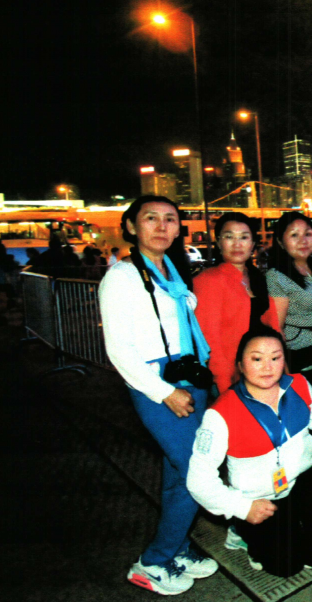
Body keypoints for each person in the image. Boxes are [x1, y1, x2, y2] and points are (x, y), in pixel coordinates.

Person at [98, 195, 219, 595]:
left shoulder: (170, 271)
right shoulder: (122, 277)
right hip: (158, 385)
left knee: (177, 474)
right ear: (131, 227)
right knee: (196, 471)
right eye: (151, 218)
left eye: (170, 219)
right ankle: (152, 561)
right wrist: (164, 392)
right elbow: (119, 349)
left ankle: (178, 549)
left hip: (189, 378)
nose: (162, 226)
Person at [187, 327, 312, 579]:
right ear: (240, 365)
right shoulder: (220, 414)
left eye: (276, 357)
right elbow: (198, 481)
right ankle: (242, 530)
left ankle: (311, 544)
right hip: (259, 495)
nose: (267, 367)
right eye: (257, 359)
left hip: (304, 476)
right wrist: (241, 507)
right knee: (285, 567)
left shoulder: (299, 384)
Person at [194, 213, 281, 396]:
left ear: (252, 244)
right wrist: (225, 385)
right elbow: (210, 339)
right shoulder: (209, 280)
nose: (237, 244)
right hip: (232, 379)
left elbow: (272, 327)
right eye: (229, 237)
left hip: (264, 371)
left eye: (244, 237)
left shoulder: (256, 278)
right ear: (218, 242)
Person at [266, 212, 312, 404]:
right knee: (310, 408)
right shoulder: (277, 276)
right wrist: (284, 370)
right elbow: (276, 326)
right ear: (281, 242)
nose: (303, 240)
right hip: (303, 355)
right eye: (294, 235)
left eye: (308, 234)